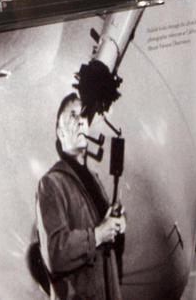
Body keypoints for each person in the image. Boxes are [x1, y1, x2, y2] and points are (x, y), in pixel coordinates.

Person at [34, 92, 126, 300]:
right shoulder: (50, 184)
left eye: (83, 116)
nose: (81, 121)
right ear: (60, 132)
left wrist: (116, 224)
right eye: (72, 116)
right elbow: (55, 254)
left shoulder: (93, 179)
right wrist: (99, 234)